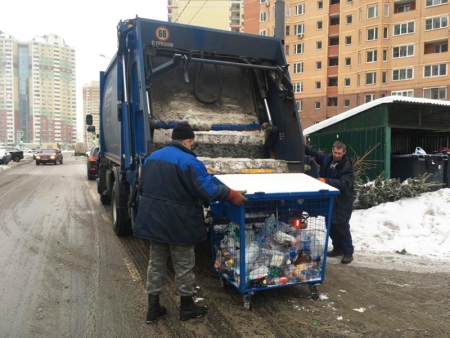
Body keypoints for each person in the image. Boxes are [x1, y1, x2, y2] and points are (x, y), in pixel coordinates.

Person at [134, 123, 248, 323]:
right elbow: (208, 191)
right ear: (187, 141)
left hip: (153, 220)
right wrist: (230, 194)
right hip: (179, 223)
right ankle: (186, 307)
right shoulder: (189, 161)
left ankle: (153, 308)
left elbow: (141, 186)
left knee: (156, 263)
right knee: (184, 264)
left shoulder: (151, 158)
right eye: (192, 142)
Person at [305, 140, 355, 264]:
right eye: (335, 152)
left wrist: (326, 181)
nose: (337, 155)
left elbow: (344, 184)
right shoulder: (328, 159)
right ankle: (337, 248)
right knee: (330, 224)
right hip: (331, 199)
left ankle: (348, 252)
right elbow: (316, 155)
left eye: (339, 153)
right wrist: (303, 146)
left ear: (344, 153)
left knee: (342, 226)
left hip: (343, 200)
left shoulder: (347, 166)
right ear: (332, 150)